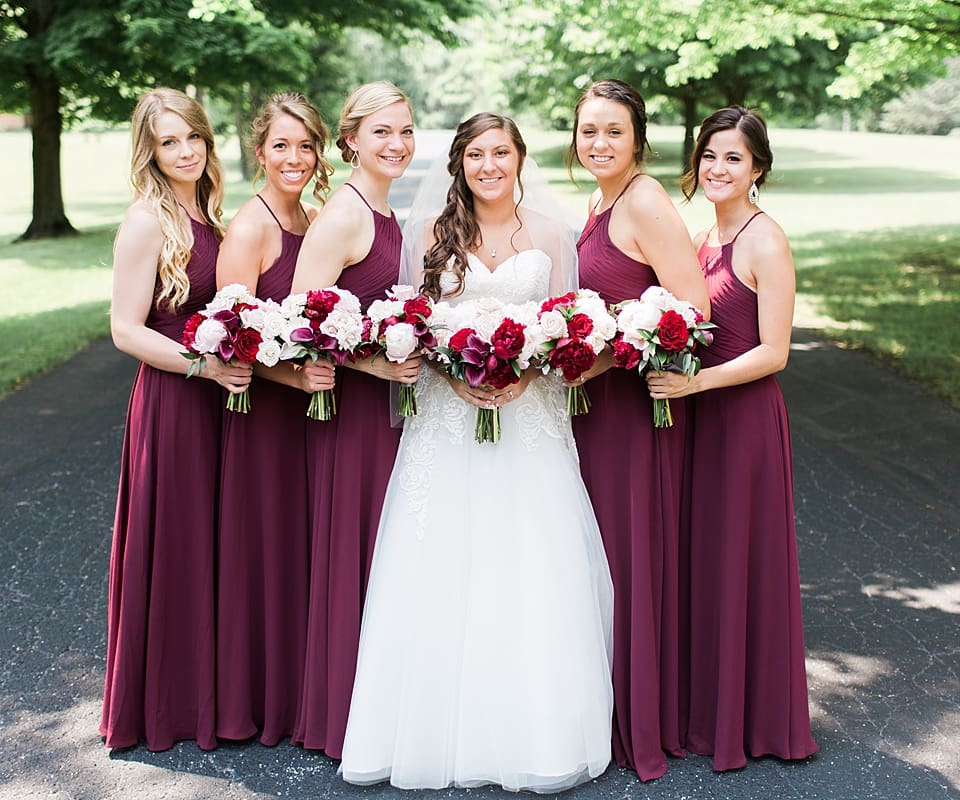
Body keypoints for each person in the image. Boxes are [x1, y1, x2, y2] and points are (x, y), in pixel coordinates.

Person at [339, 112, 613, 792]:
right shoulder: (431, 234)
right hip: (447, 421)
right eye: (475, 154)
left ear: (520, 157)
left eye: (501, 152)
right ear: (458, 163)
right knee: (442, 556)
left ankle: (537, 735)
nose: (488, 165)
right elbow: (414, 328)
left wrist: (525, 373)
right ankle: (428, 733)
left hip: (530, 421)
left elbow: (567, 330)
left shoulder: (552, 234)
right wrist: (453, 378)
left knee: (530, 559)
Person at [649, 105, 818, 771]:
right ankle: (705, 711)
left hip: (742, 421)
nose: (718, 168)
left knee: (741, 560)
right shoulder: (701, 238)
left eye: (734, 159)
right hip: (701, 417)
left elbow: (775, 352)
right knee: (705, 560)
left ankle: (753, 721)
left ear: (758, 169)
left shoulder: (763, 240)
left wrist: (697, 385)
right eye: (710, 155)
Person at [567, 78, 711, 781]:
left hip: (631, 409)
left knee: (629, 555)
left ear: (638, 139)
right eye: (588, 130)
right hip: (595, 411)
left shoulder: (646, 200)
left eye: (613, 132)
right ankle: (605, 703)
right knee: (599, 558)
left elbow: (690, 309)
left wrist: (603, 357)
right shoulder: (600, 199)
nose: (598, 142)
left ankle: (642, 719)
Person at [100, 87, 251, 751]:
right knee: (177, 548)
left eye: (192, 136)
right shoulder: (146, 220)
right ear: (150, 151)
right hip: (174, 401)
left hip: (218, 399)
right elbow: (125, 330)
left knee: (212, 547)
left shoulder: (209, 210)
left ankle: (211, 697)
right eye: (169, 141)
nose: (186, 150)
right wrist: (202, 366)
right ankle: (168, 706)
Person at [289, 81, 422, 759]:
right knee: (357, 552)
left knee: (388, 555)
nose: (397, 144)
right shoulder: (344, 215)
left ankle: (383, 707)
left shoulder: (386, 209)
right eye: (381, 133)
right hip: (353, 417)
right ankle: (340, 714)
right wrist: (372, 368)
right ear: (350, 141)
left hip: (391, 413)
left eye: (405, 130)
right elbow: (299, 321)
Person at [213, 93, 336, 746]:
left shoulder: (315, 217)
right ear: (259, 152)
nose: (295, 158)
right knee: (265, 554)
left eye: (306, 146)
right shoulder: (251, 227)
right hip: (264, 418)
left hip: (308, 421)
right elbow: (233, 337)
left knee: (301, 553)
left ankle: (300, 697)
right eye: (282, 146)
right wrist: (295, 376)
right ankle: (256, 702)